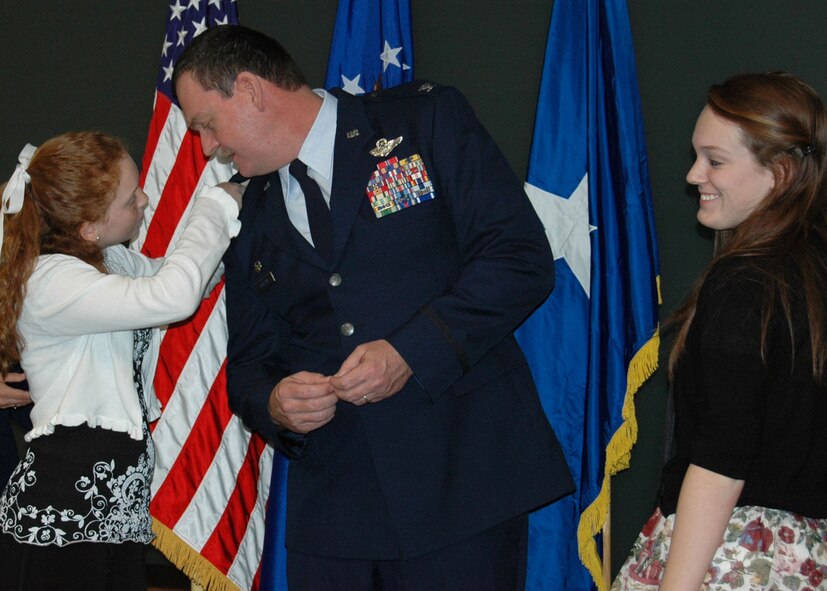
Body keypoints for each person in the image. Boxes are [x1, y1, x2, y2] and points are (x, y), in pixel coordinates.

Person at [173, 24, 574, 591]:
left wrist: (412, 351)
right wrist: (276, 403)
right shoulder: (247, 211)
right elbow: (249, 367)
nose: (208, 147)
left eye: (206, 125)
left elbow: (519, 259)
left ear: (251, 90)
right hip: (338, 514)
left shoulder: (423, 121)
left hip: (461, 481)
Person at [612, 72, 827, 590]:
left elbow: (719, 462)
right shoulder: (812, 272)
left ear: (778, 173)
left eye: (715, 160)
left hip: (732, 560)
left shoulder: (745, 281)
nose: (692, 175)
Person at [0, 131, 242, 591]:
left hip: (113, 506)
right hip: (65, 511)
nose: (146, 200)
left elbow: (192, 278)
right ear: (88, 226)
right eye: (132, 199)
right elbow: (173, 296)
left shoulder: (108, 259)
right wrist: (215, 207)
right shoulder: (51, 280)